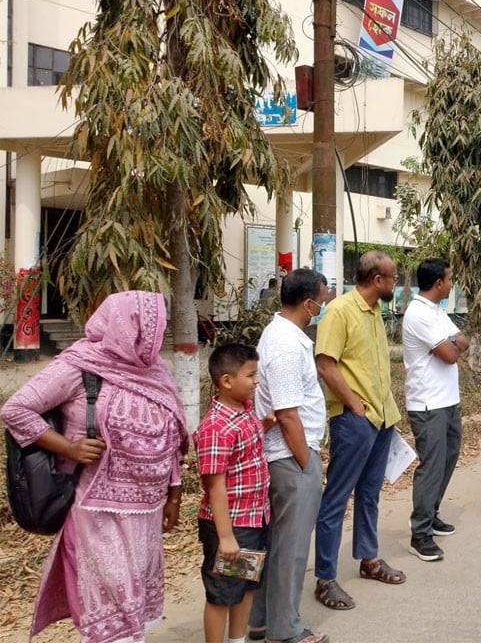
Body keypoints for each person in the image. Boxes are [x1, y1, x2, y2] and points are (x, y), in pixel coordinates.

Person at [1, 291, 189, 643]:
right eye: (151, 329)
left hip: (146, 515)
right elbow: (16, 411)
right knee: (112, 619)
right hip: (97, 513)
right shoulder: (79, 367)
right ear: (127, 328)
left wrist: (174, 494)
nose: (158, 337)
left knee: (135, 615)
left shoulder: (155, 373)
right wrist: (68, 447)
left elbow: (173, 436)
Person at [315, 251, 406, 610]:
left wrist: (385, 411)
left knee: (369, 495)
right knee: (336, 499)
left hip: (382, 418)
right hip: (355, 420)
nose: (395, 284)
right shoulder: (340, 311)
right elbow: (325, 364)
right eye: (393, 278)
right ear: (377, 280)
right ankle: (325, 578)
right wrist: (354, 405)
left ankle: (368, 559)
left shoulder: (375, 312)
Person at [249, 268, 328, 643]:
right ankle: (286, 629)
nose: (322, 306)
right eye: (322, 300)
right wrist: (306, 462)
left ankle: (262, 620)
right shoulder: (282, 344)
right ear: (307, 302)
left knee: (279, 543)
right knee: (292, 548)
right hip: (290, 457)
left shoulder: (286, 336)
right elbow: (286, 413)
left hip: (288, 454)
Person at [195, 344, 270, 643]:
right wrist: (226, 536)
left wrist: (265, 425)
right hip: (232, 525)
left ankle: (237, 639)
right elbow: (216, 485)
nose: (256, 381)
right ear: (226, 381)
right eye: (250, 375)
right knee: (222, 593)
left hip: (254, 520)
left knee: (245, 585)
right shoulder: (216, 426)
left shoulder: (246, 412)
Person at [402, 258, 469, 561]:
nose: (452, 283)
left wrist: (452, 342)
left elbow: (461, 341)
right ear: (439, 283)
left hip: (447, 400)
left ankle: (432, 511)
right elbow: (450, 355)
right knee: (431, 466)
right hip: (428, 404)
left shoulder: (437, 311)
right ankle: (420, 533)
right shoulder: (419, 314)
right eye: (450, 279)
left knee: (449, 457)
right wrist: (450, 344)